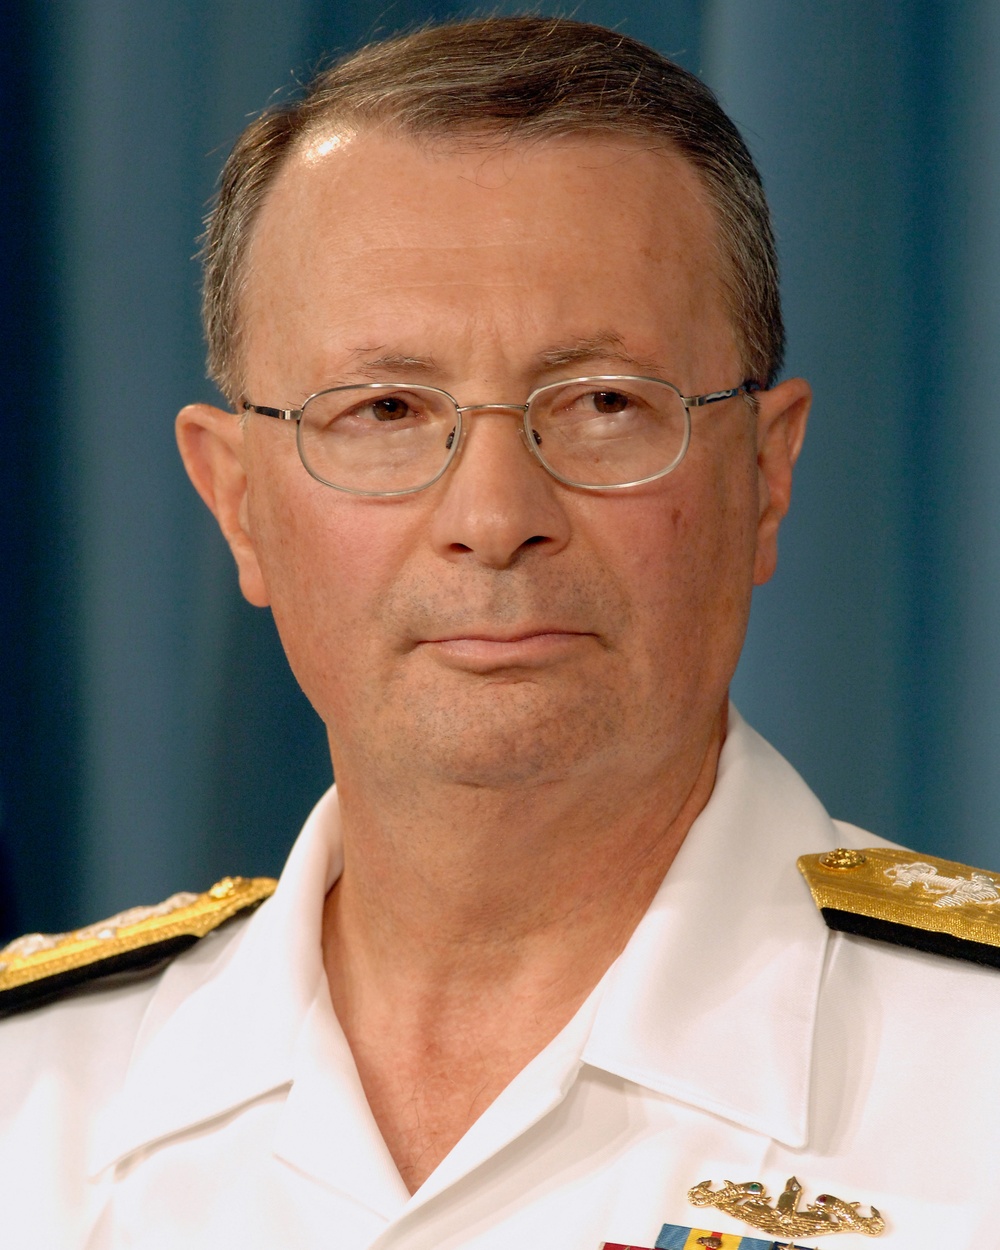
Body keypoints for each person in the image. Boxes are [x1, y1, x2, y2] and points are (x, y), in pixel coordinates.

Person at [1, 16, 998, 1249]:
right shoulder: (29, 1101)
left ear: (765, 474)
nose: (492, 517)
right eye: (384, 409)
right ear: (237, 501)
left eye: (602, 402)